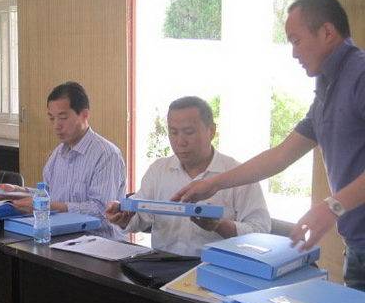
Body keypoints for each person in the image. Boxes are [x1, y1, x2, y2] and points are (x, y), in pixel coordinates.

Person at [173, 0, 365, 290]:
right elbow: (281, 155)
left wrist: (332, 207)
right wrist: (213, 184)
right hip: (357, 245)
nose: (294, 53)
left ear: (327, 32)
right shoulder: (327, 88)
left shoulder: (360, 75)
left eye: (296, 41)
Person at [106, 96, 270, 256]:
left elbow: (260, 232)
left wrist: (219, 225)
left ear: (211, 131)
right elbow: (141, 216)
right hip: (160, 264)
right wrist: (124, 218)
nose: (180, 142)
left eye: (189, 132)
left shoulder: (237, 175)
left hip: (213, 266)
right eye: (173, 132)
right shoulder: (159, 170)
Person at [0, 81, 126, 239]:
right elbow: (49, 194)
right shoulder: (57, 155)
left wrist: (47, 206)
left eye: (63, 117)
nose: (56, 126)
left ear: (84, 115)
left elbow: (102, 210)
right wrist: (18, 192)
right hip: (62, 238)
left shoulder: (106, 155)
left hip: (99, 242)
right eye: (52, 118)